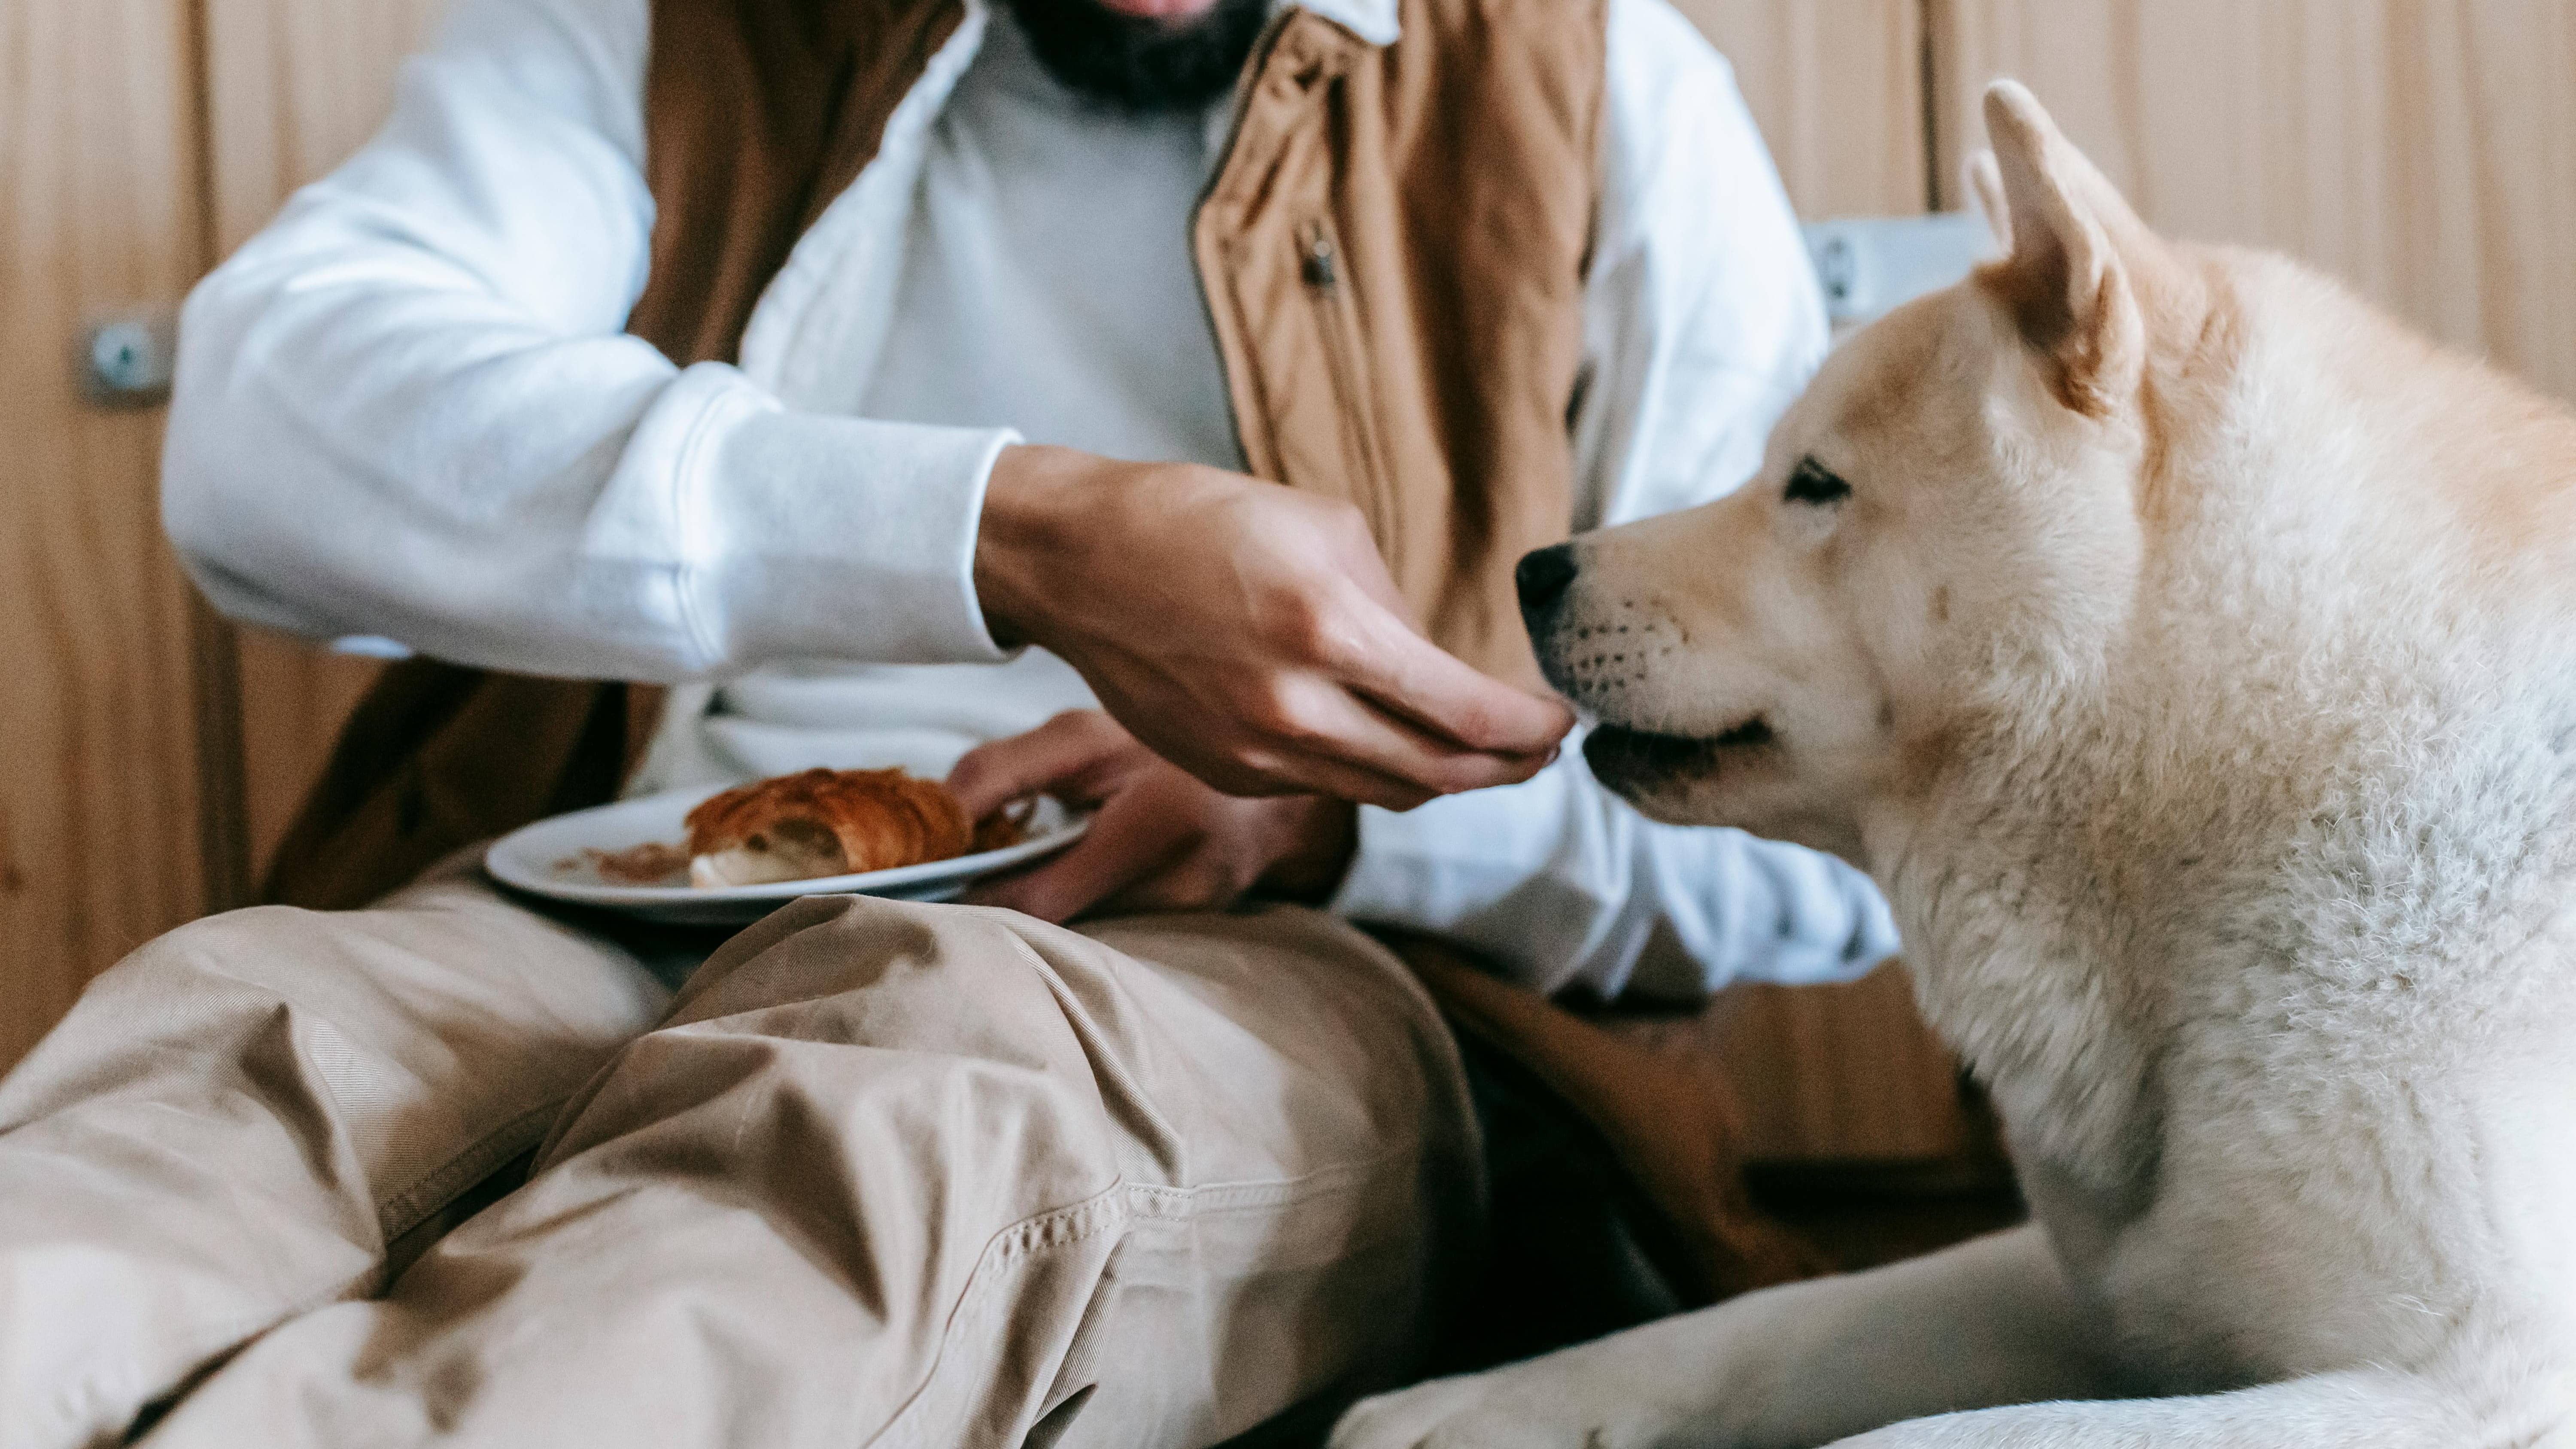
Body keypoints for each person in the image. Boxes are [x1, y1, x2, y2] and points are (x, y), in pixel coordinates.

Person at [0, 0, 1898, 1441]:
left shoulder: (1590, 76)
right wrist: (1011, 533)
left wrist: (1324, 815)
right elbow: (262, 430)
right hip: (629, 881)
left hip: (1264, 958)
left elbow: (1838, 842)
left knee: (916, 1111)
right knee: (241, 1050)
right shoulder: (665, 31)